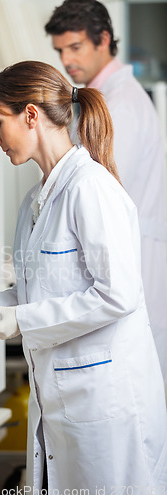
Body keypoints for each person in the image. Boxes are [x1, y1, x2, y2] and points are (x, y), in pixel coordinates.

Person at [0, 61, 167, 495]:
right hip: (62, 402)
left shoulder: (89, 189)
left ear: (30, 115)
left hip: (103, 403)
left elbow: (118, 294)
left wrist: (21, 321)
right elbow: (36, 291)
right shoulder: (36, 200)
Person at [45, 0, 167, 384]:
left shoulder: (119, 106)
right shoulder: (109, 99)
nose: (67, 60)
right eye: (60, 50)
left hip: (136, 259)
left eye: (75, 47)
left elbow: (100, 194)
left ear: (102, 40)